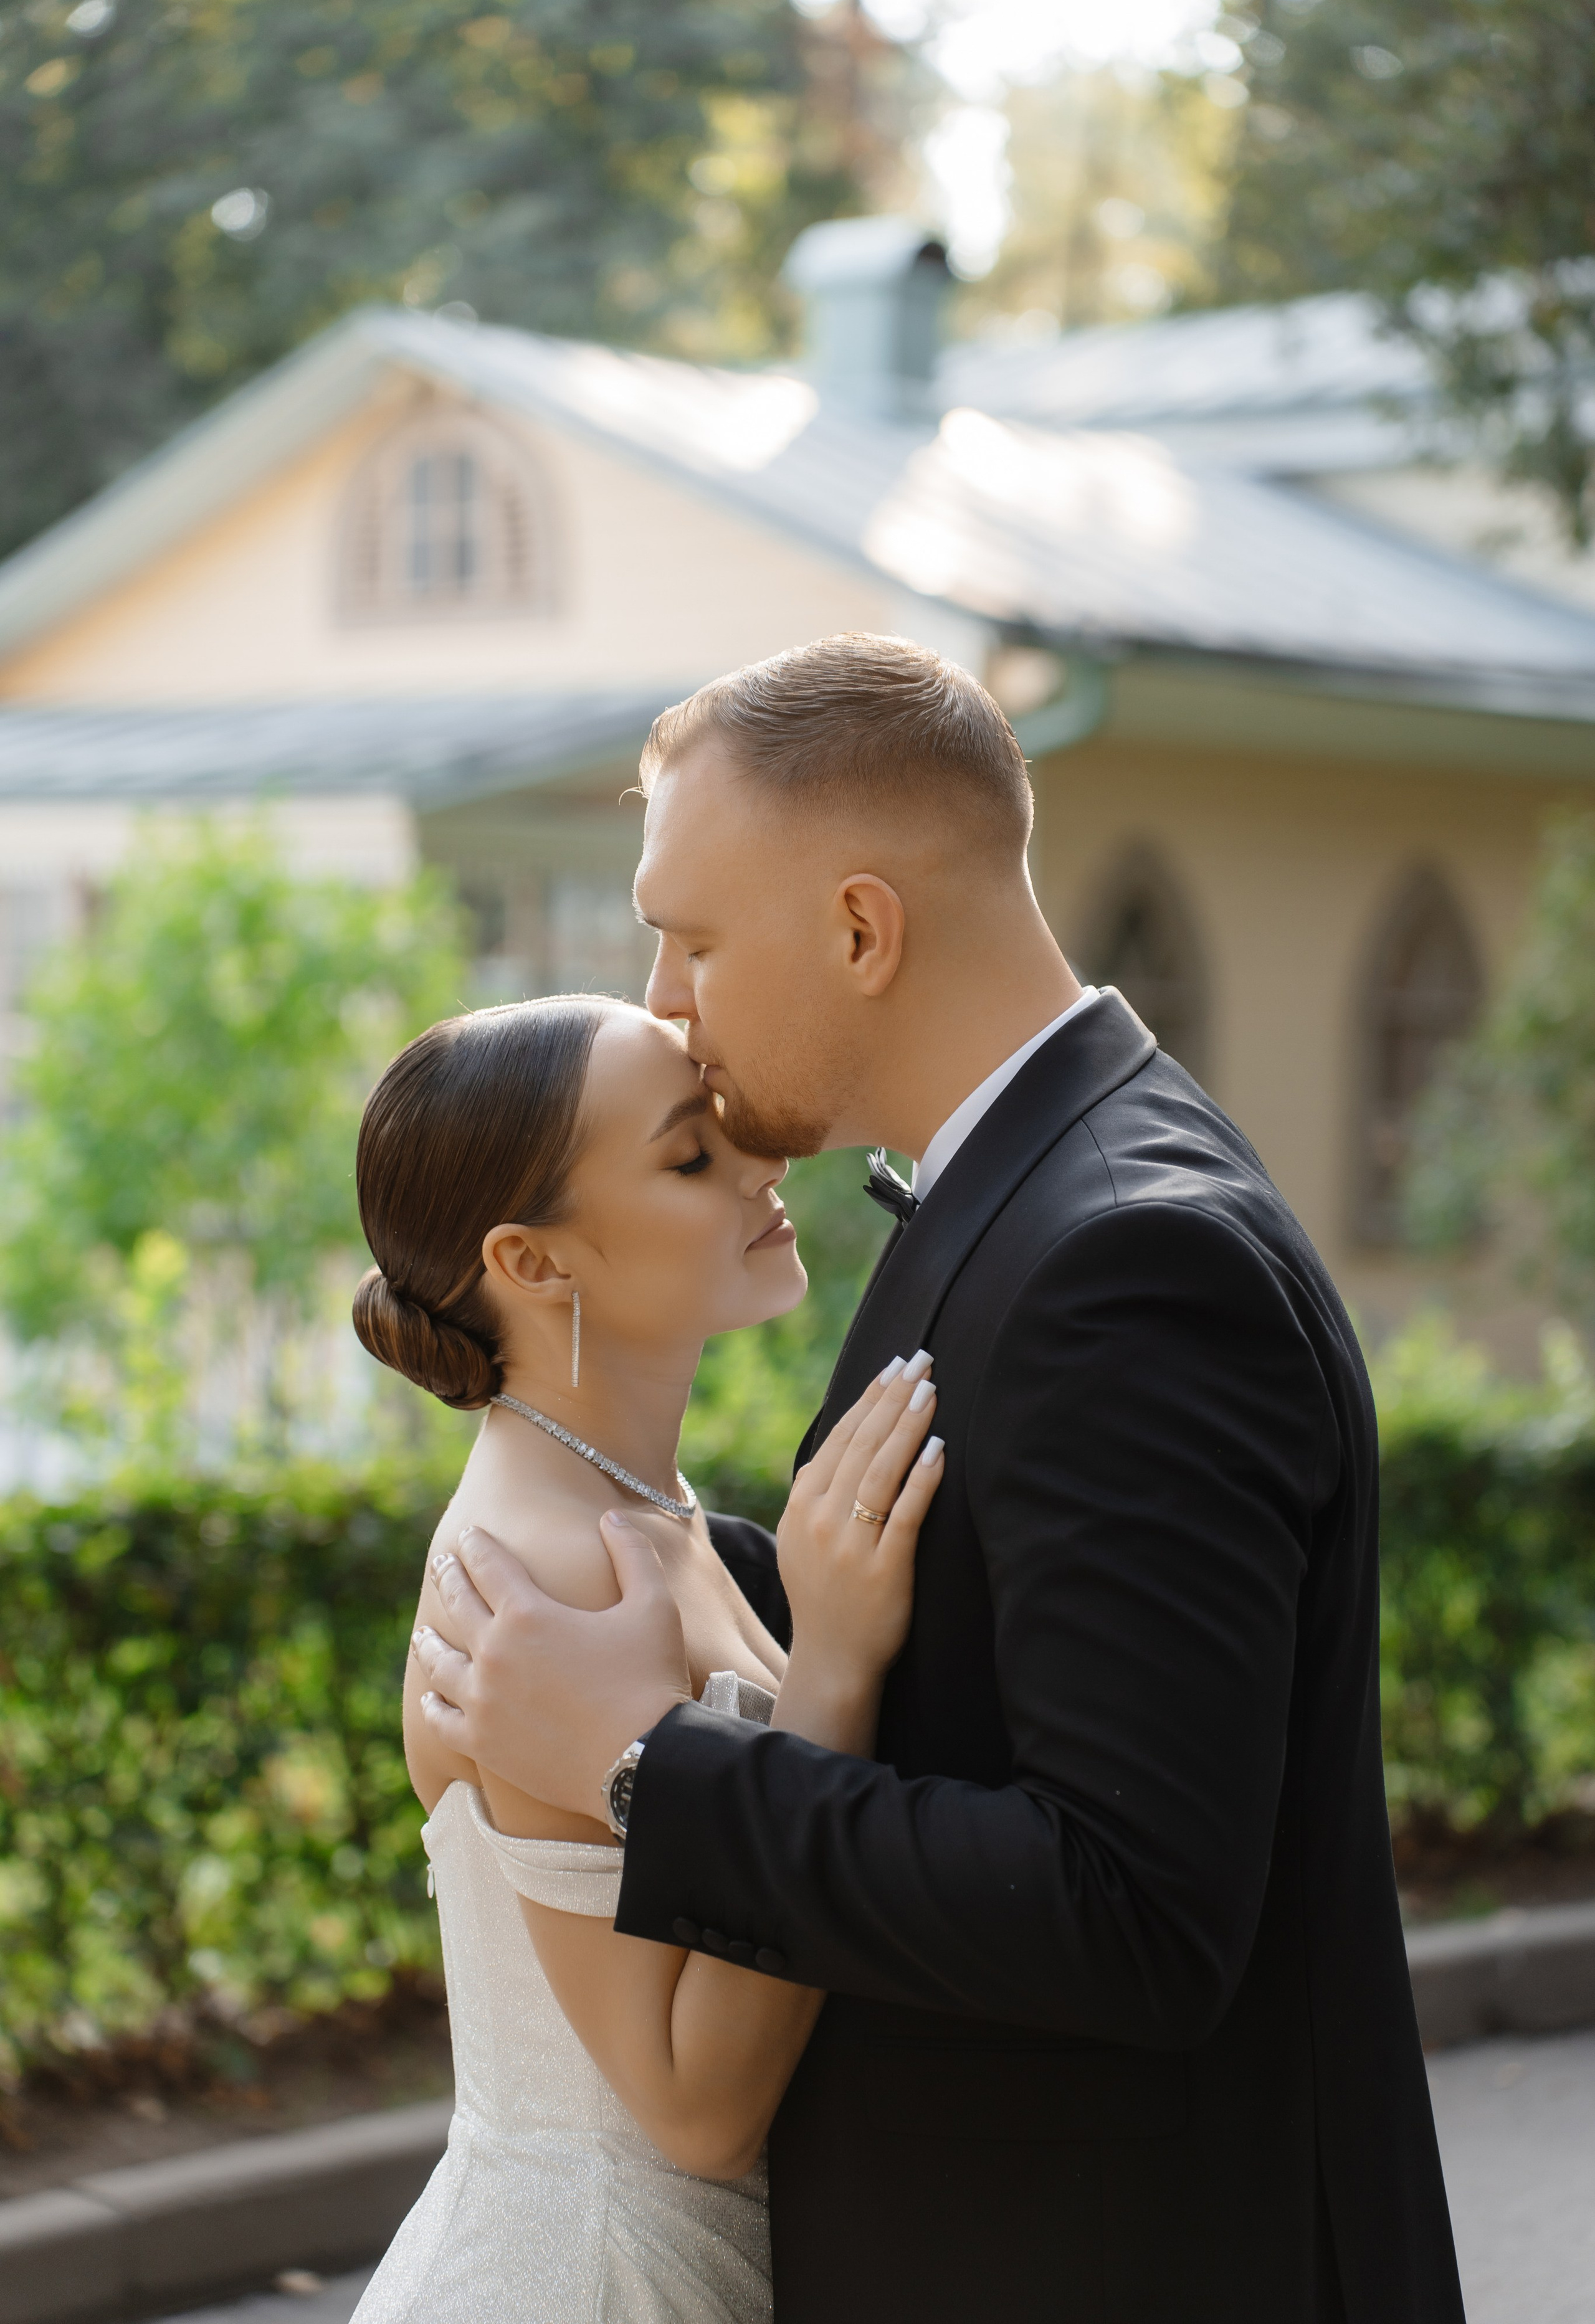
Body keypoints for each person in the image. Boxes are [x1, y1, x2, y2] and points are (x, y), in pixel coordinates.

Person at [414, 633, 1466, 2324]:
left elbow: (1132, 1912)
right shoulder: (1048, 1190)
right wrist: (702, 1578)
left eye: (688, 938)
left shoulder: (1122, 1259)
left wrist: (636, 1762)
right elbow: (997, 1644)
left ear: (858, 930)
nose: (664, 1001)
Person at [346, 993, 945, 2323]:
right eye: (691, 1156)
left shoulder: (641, 1512)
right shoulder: (533, 1572)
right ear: (534, 1260)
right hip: (597, 2278)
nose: (762, 1166)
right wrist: (833, 1668)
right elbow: (691, 2108)